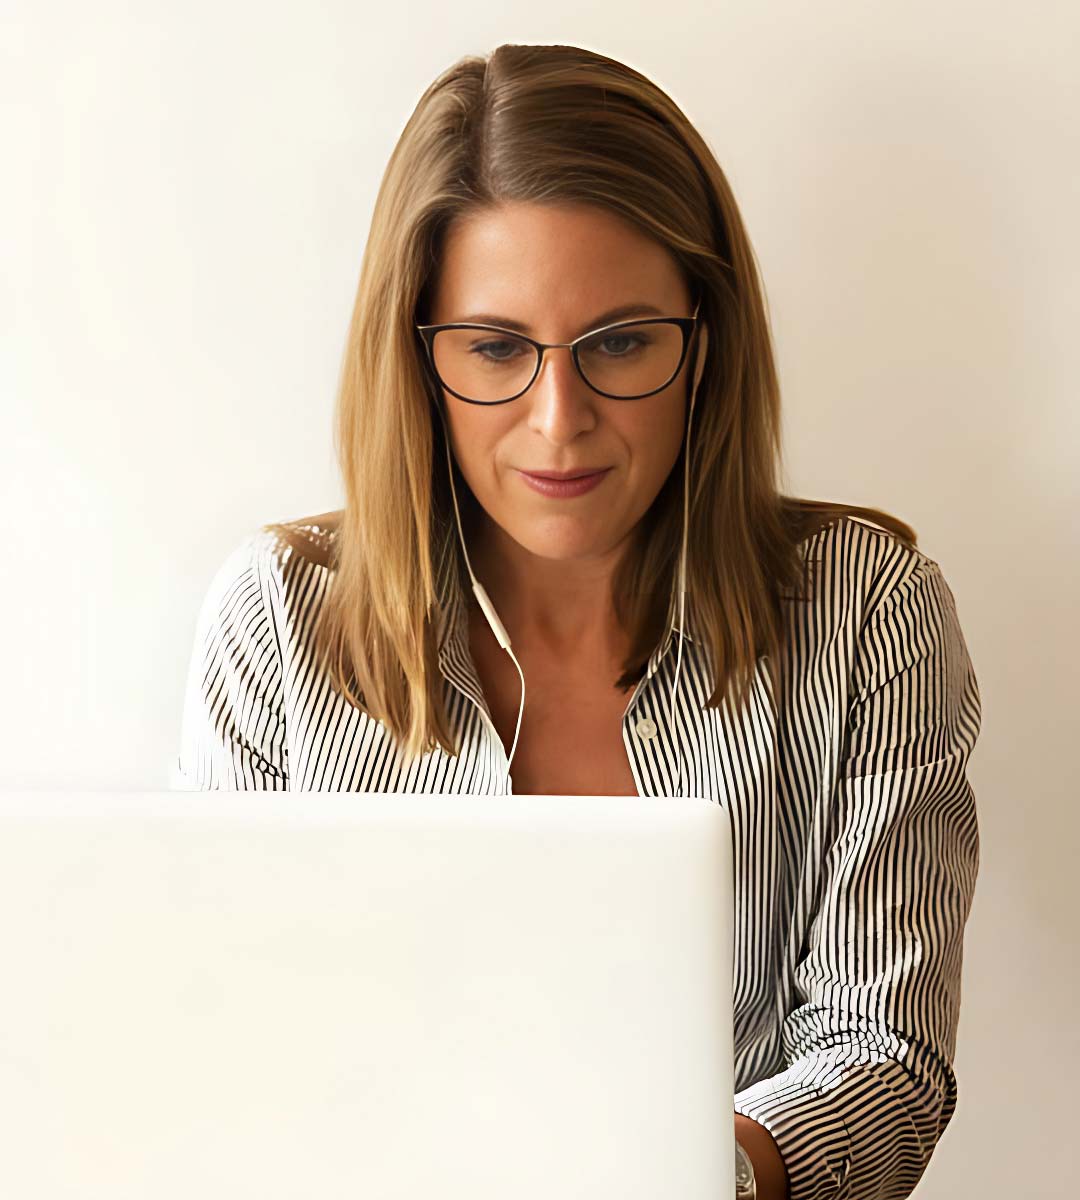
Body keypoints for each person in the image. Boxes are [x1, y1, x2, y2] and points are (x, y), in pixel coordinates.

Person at [171, 43, 982, 1200]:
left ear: (705, 341)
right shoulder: (278, 623)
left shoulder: (867, 614)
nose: (561, 422)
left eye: (619, 344)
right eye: (497, 348)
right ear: (416, 358)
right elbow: (226, 1045)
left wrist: (703, 1174)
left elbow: (885, 1058)